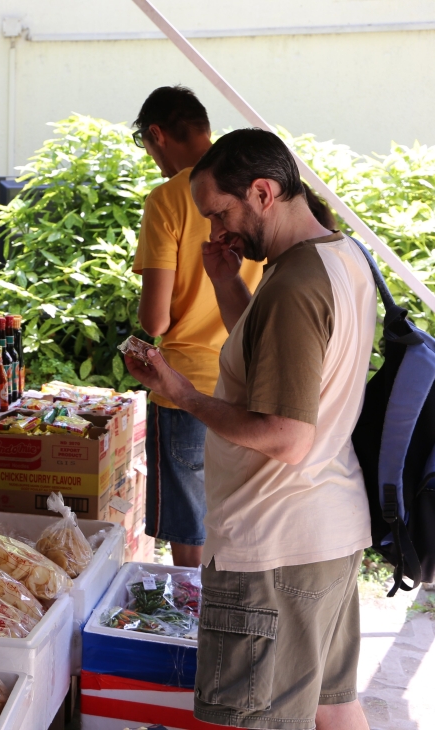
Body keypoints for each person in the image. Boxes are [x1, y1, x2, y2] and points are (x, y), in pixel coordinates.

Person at [125, 128, 373, 730]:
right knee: (332, 705)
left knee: (252, 719)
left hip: (274, 547)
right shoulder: (336, 255)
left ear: (263, 192)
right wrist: (225, 282)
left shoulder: (294, 285)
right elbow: (268, 356)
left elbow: (287, 436)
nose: (218, 231)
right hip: (325, 531)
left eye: (221, 213)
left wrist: (183, 394)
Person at [130, 86, 262, 568]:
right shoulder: (251, 190)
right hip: (248, 384)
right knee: (239, 523)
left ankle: (195, 617)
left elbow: (155, 320)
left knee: (190, 541)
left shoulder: (168, 198)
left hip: (185, 388)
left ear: (157, 134)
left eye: (148, 148)